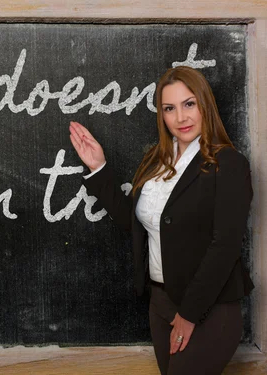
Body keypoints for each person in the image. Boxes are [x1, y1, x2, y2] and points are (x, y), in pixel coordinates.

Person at [69, 66, 254, 375]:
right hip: (161, 303)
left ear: (205, 104)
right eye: (170, 108)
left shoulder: (228, 164)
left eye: (189, 104)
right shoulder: (156, 162)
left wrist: (189, 314)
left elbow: (226, 245)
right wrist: (99, 168)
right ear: (162, 115)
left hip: (208, 308)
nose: (180, 117)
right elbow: (138, 226)